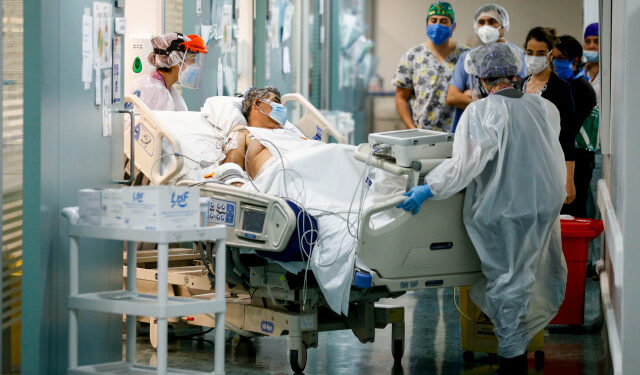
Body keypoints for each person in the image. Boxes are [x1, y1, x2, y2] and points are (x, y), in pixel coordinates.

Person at [398, 43, 567, 374]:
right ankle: (515, 351)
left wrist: (428, 188)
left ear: (480, 80)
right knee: (523, 278)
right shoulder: (545, 107)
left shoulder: (482, 112)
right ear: (516, 74)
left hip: (506, 210)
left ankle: (512, 359)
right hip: (543, 204)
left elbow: (465, 166)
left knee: (506, 281)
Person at [446, 3, 526, 132]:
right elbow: (452, 97)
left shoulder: (516, 54)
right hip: (472, 126)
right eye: (481, 22)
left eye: (491, 21)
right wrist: (486, 102)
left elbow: (517, 95)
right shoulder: (469, 57)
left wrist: (473, 96)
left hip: (506, 125)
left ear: (504, 25)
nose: (486, 26)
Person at [522, 27, 578, 205]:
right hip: (522, 165)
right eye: (530, 52)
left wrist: (568, 179)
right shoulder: (521, 85)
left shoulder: (560, 88)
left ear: (550, 55)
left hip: (549, 166)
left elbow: (568, 135)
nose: (534, 57)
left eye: (540, 53)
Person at [392, 1, 468, 132]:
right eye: (434, 20)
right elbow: (401, 97)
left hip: (459, 135)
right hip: (423, 134)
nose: (438, 25)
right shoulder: (412, 56)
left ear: (453, 26)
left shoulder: (466, 56)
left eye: (444, 21)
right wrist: (412, 129)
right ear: (427, 24)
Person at [553, 35, 597, 217]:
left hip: (578, 162)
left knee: (574, 215)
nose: (556, 63)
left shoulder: (583, 90)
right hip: (558, 159)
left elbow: (567, 130)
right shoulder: (560, 85)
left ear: (575, 60)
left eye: (561, 59)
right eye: (553, 58)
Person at [222, 87, 292, 179]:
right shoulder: (243, 132)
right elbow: (231, 166)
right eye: (276, 102)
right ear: (257, 103)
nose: (282, 108)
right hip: (287, 176)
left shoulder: (290, 133)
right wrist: (235, 183)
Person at [129, 32, 208, 111]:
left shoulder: (167, 89)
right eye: (192, 60)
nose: (195, 65)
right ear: (175, 60)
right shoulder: (153, 90)